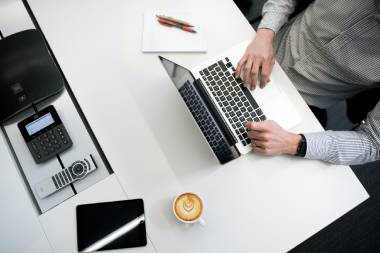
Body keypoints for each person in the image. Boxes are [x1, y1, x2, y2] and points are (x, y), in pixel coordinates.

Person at [236, 0, 380, 165]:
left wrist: (290, 143)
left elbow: (374, 142)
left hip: (302, 106)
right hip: (261, 47)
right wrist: (265, 34)